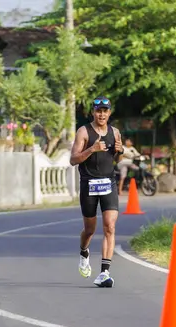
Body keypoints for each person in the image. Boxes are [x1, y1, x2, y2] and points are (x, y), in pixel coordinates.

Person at [69, 96, 123, 287]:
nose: (101, 114)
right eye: (98, 110)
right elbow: (73, 159)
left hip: (109, 183)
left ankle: (104, 273)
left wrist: (120, 150)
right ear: (93, 112)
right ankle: (84, 251)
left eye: (105, 111)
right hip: (89, 184)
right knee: (90, 229)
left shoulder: (115, 132)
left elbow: (115, 157)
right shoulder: (84, 132)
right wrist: (92, 149)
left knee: (109, 226)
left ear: (109, 112)